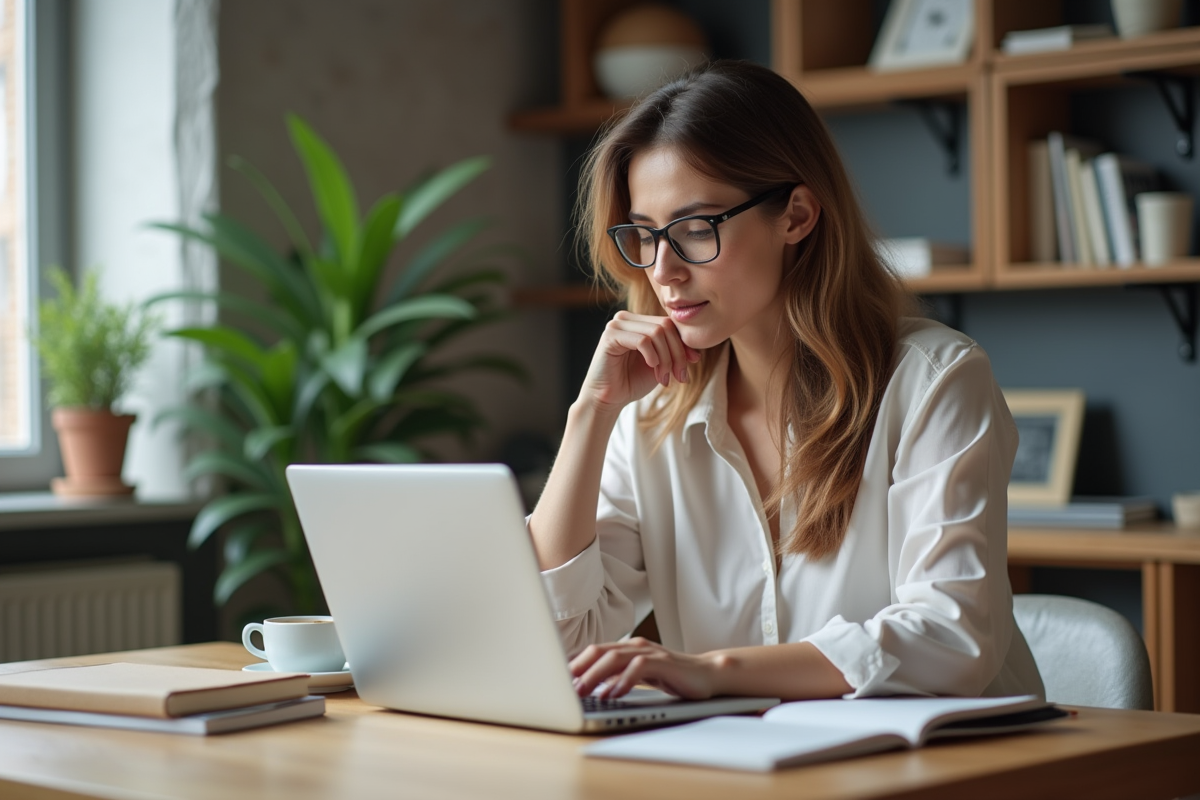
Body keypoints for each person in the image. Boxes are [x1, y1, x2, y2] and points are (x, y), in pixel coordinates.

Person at [527, 60, 1043, 704]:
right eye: (646, 235)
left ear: (796, 216)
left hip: (951, 766)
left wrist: (712, 672)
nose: (664, 271)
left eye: (694, 229)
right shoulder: (648, 414)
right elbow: (558, 642)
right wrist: (592, 412)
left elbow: (952, 636)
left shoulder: (933, 382)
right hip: (750, 766)